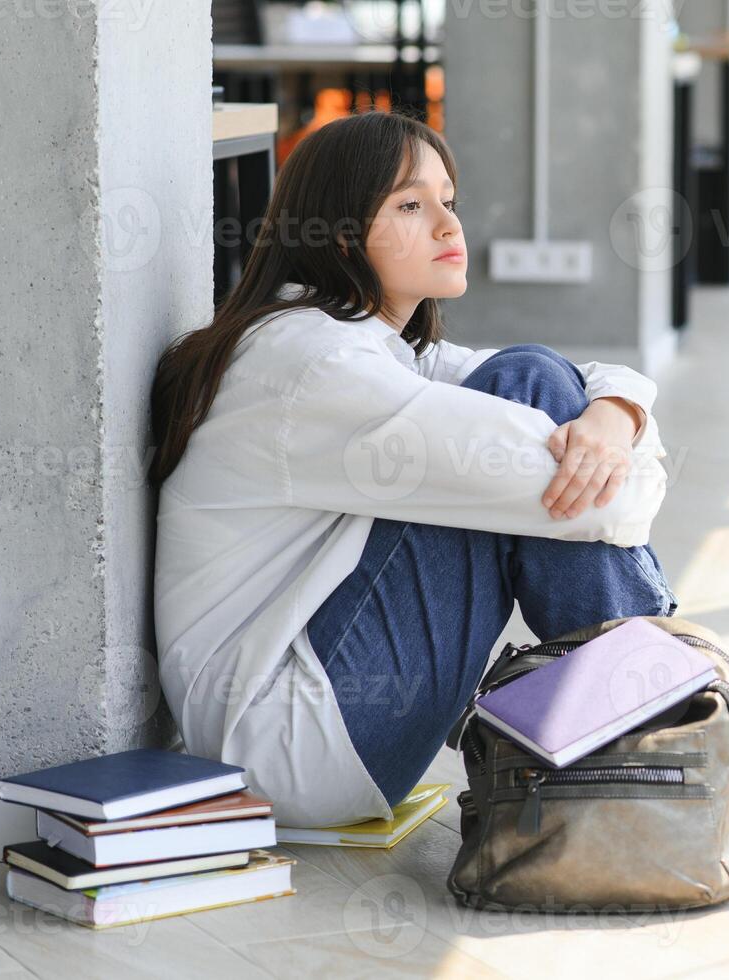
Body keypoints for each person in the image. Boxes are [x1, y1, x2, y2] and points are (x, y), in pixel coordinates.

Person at [149, 110, 677, 827]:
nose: (448, 226)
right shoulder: (318, 365)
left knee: (533, 378)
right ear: (339, 235)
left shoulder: (358, 341)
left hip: (321, 722)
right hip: (298, 743)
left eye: (447, 201)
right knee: (532, 390)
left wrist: (614, 417)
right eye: (409, 205)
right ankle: (651, 732)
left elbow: (586, 380)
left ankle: (642, 728)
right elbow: (605, 504)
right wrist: (623, 456)